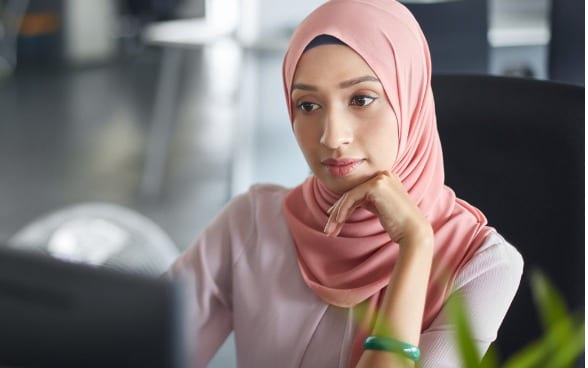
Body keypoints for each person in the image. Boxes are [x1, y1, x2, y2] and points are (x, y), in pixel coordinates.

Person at [165, 0, 523, 367]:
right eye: (307, 105)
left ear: (410, 102)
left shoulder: (483, 265)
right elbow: (140, 343)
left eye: (361, 99)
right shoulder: (251, 222)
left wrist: (415, 245)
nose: (332, 137)